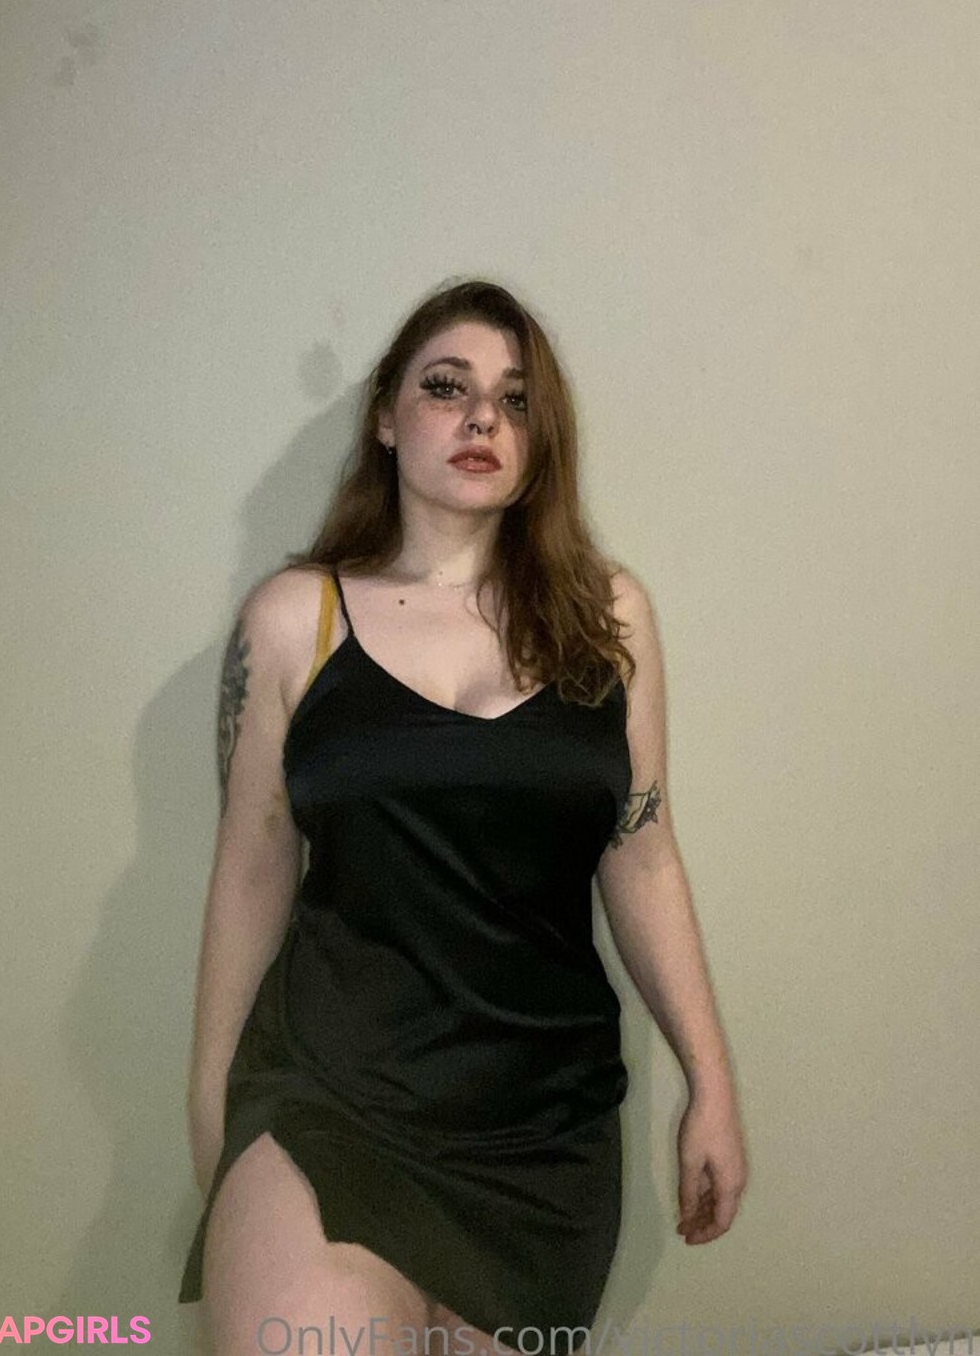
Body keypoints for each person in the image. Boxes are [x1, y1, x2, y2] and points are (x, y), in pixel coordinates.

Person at [179, 278, 748, 1356]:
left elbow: (642, 853)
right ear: (387, 419)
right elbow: (251, 868)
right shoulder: (296, 620)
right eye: (448, 387)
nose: (484, 415)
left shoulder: (609, 620)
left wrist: (709, 1082)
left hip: (543, 1131)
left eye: (516, 399)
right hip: (330, 1102)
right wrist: (213, 1108)